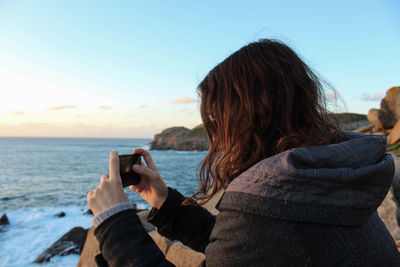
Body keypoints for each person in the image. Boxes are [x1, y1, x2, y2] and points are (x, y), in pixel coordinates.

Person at [87, 39, 400, 266]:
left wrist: (114, 222)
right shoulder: (330, 177)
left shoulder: (275, 204)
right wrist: (164, 202)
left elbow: (249, 241)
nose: (217, 140)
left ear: (247, 122)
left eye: (217, 121)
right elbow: (241, 248)